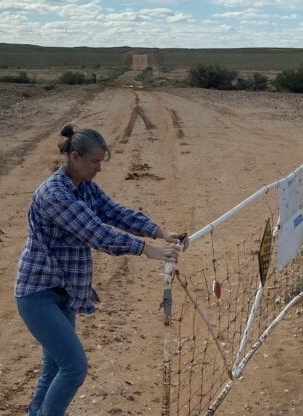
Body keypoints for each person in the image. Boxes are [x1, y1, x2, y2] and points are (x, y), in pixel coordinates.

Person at [15, 123, 184, 416]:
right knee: (74, 367)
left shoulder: (85, 187)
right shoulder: (55, 195)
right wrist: (148, 250)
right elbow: (97, 232)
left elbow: (115, 212)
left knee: (55, 366)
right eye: (94, 162)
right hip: (37, 293)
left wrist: (161, 232)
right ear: (76, 157)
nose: (98, 169)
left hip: (64, 291)